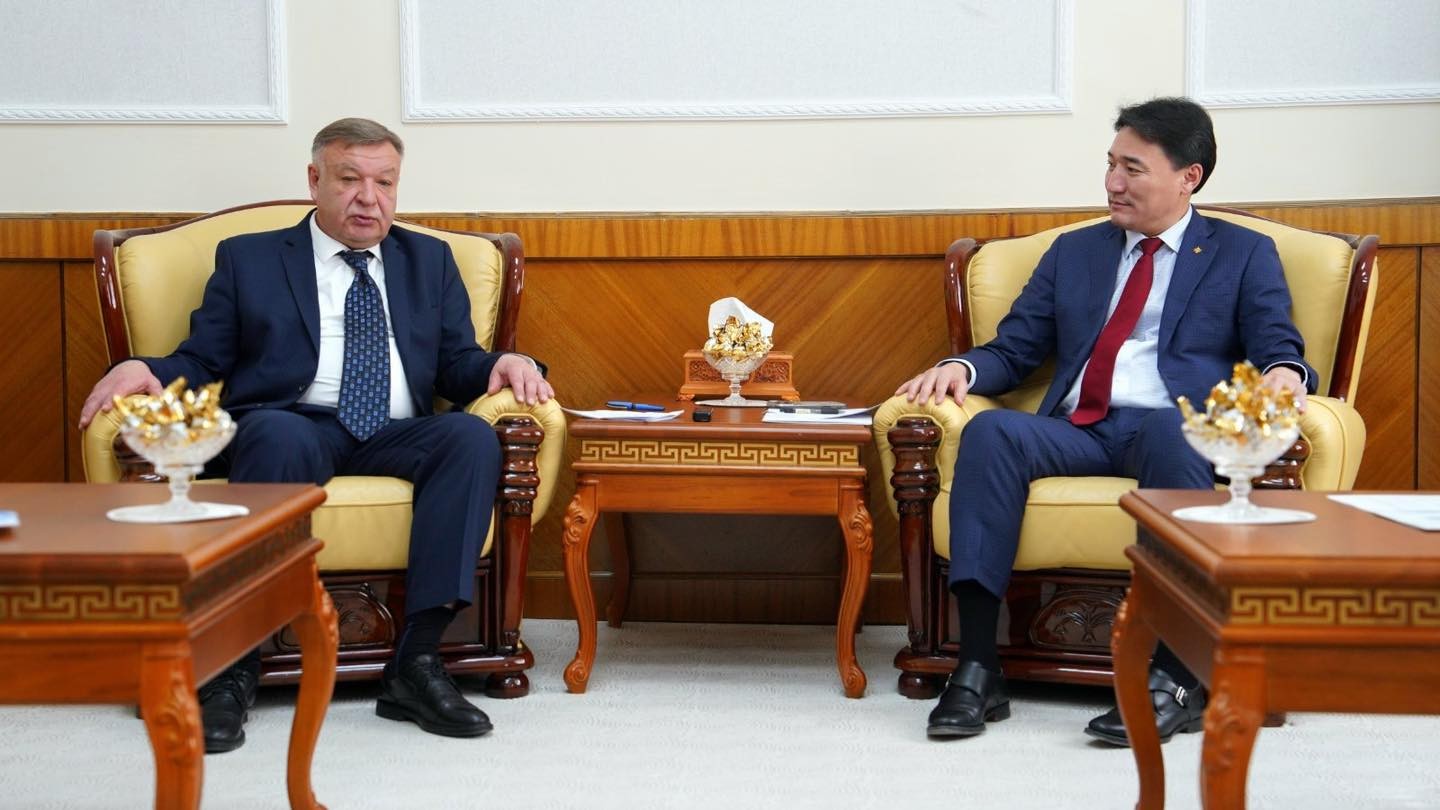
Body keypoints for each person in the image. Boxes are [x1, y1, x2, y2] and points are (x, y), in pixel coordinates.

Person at [78, 117, 553, 751]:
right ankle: (234, 667)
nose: (369, 198)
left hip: (394, 429)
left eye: (385, 182)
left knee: (469, 437)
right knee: (275, 434)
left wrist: (508, 361)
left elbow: (455, 363)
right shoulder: (249, 258)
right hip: (294, 423)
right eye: (350, 179)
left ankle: (416, 663)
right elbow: (204, 359)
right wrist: (147, 370)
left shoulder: (428, 260)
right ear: (315, 180)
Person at [896, 97, 1312, 742]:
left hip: (1169, 427)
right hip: (1079, 428)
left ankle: (1174, 678)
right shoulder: (1074, 252)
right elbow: (1015, 349)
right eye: (1111, 164)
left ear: (1189, 177)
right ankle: (977, 668)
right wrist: (963, 369)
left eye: (1133, 169)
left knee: (1178, 433)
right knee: (991, 431)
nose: (1113, 182)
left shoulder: (1243, 253)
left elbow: (1277, 345)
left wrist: (1287, 373)